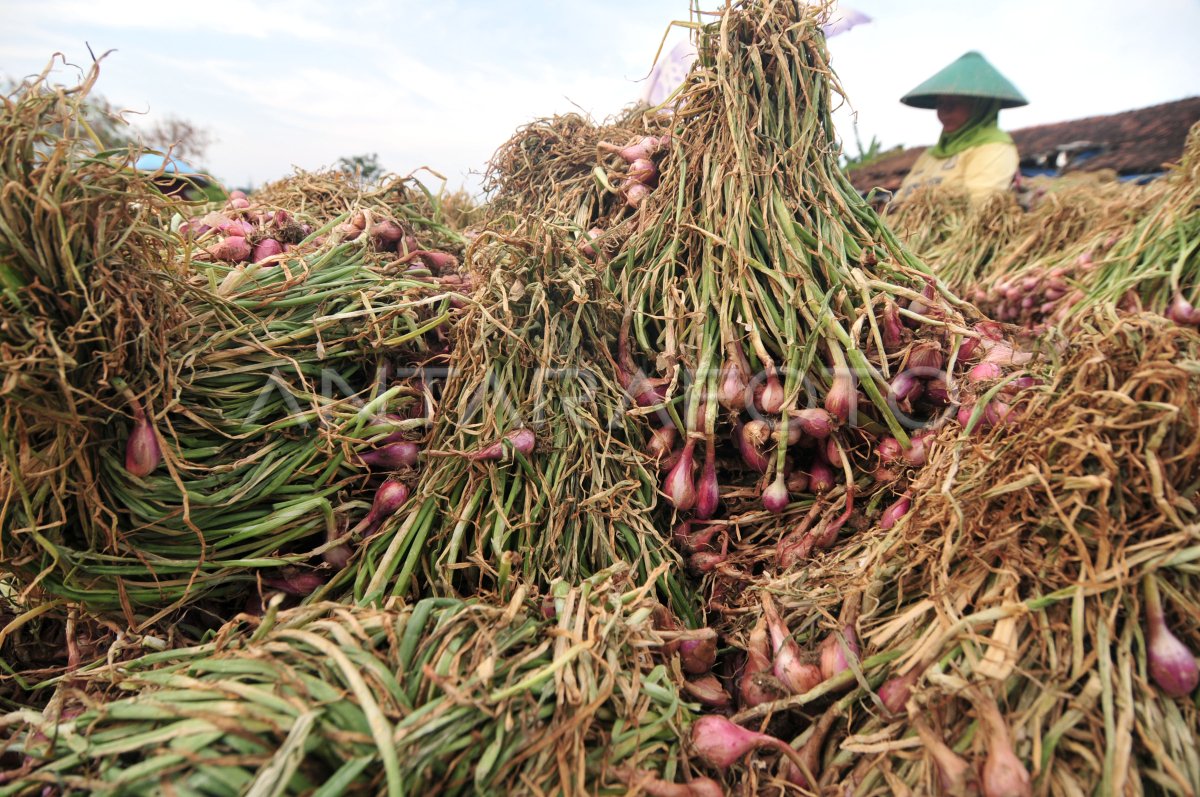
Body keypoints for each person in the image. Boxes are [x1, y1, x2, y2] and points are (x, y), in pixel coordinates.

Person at [892, 51, 1028, 205]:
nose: (945, 112)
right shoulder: (929, 155)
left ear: (980, 107)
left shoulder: (995, 148)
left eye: (954, 103)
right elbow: (899, 201)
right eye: (941, 104)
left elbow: (979, 203)